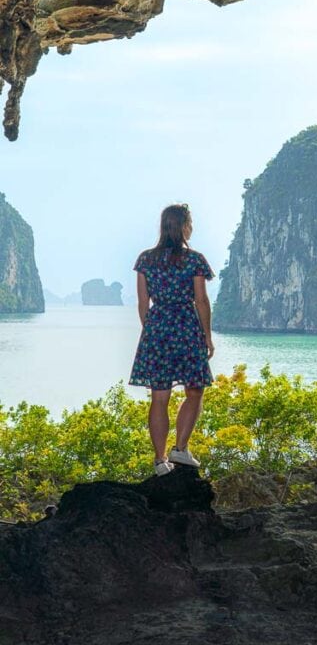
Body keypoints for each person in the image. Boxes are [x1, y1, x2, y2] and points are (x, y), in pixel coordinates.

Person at [129, 203, 215, 476]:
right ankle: (181, 448)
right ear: (185, 226)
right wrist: (207, 336)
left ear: (163, 225)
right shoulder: (195, 260)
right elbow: (201, 300)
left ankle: (159, 460)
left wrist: (151, 331)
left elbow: (143, 303)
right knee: (195, 389)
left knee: (160, 396)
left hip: (157, 328)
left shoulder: (146, 259)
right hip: (187, 326)